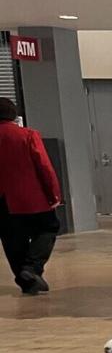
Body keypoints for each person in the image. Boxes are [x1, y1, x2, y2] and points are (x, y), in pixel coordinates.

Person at [0, 97, 62, 294]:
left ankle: (27, 281)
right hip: (31, 199)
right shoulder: (27, 135)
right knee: (48, 229)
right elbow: (44, 167)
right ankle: (32, 268)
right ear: (14, 115)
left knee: (11, 239)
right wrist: (54, 195)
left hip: (2, 202)